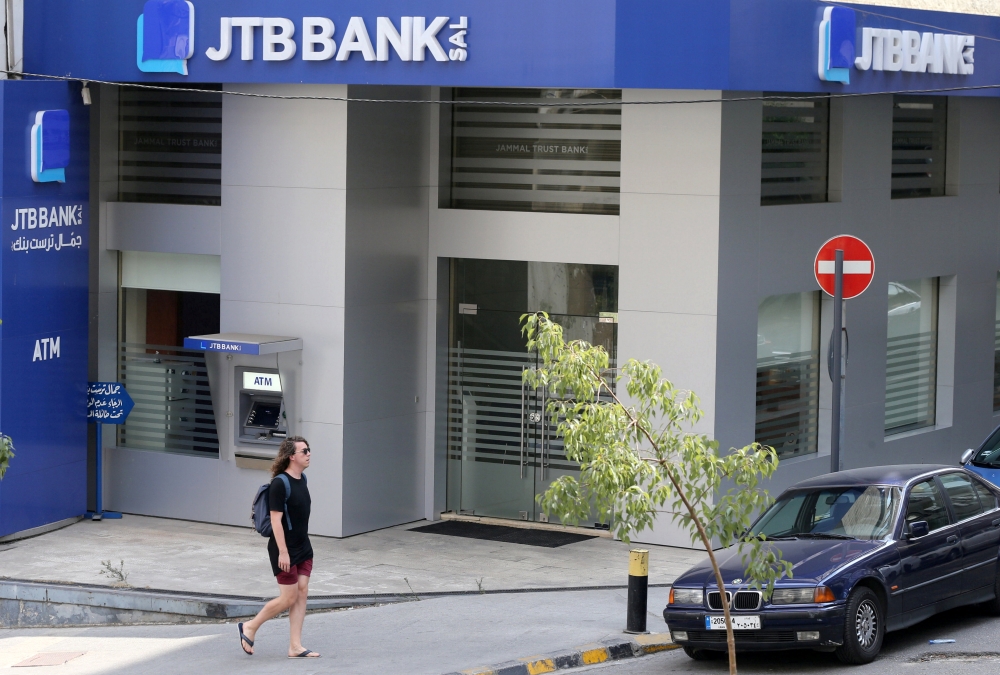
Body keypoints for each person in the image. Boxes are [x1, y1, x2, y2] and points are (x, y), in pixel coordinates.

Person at [238, 436, 319, 659]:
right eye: (305, 451)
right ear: (292, 456)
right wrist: (283, 551)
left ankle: (295, 646)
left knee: (302, 592)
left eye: (309, 449)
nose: (309, 453)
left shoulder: (302, 479)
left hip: (303, 546)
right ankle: (250, 627)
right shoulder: (279, 484)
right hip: (284, 549)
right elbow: (276, 521)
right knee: (288, 597)